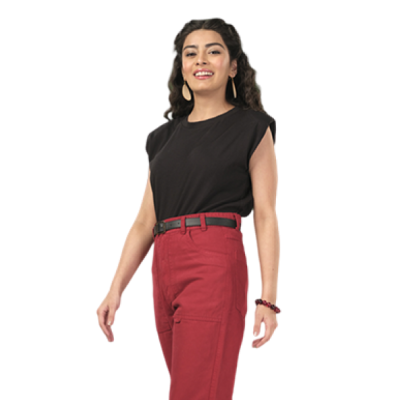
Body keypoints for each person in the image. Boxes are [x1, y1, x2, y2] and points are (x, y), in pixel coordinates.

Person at [95, 17, 280, 399]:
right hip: (164, 264)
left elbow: (265, 215)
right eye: (191, 53)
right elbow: (144, 221)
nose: (201, 60)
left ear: (233, 66)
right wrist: (115, 289)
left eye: (213, 51)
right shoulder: (161, 138)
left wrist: (269, 299)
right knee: (191, 387)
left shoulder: (252, 127)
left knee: (196, 392)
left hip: (213, 258)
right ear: (181, 67)